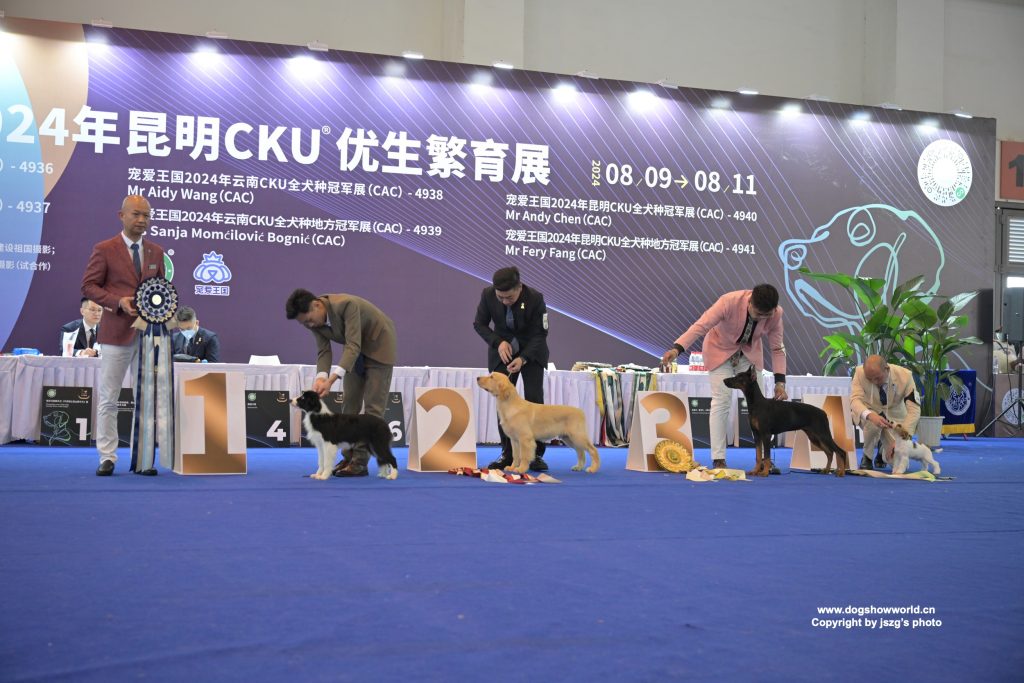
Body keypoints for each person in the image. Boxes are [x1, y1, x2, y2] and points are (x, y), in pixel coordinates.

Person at [81, 195, 165, 476]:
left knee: (146, 398)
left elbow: (161, 290)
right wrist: (117, 302)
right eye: (136, 214)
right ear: (121, 215)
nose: (142, 220)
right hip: (115, 333)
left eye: (146, 216)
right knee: (109, 398)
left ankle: (142, 458)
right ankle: (107, 456)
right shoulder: (104, 249)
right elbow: (89, 286)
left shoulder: (156, 252)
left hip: (148, 335)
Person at [661, 284, 787, 470]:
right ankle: (718, 458)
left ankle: (763, 460)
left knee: (761, 407)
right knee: (722, 400)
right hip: (719, 351)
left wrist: (780, 382)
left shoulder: (776, 314)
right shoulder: (729, 302)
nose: (762, 319)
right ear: (750, 302)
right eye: (758, 314)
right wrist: (677, 349)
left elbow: (777, 348)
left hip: (749, 355)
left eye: (766, 315)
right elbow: (701, 326)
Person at [285, 288, 397, 477]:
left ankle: (359, 463)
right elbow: (323, 351)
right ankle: (348, 457)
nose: (309, 325)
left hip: (379, 346)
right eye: (304, 324)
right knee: (349, 404)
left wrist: (332, 379)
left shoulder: (346, 305)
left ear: (317, 305)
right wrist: (321, 378)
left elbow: (353, 345)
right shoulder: (313, 322)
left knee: (373, 409)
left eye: (309, 320)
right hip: (354, 353)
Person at [473, 266, 550, 471]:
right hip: (503, 351)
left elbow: (540, 334)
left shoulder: (535, 298)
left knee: (534, 400)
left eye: (509, 297)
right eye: (501, 297)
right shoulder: (488, 294)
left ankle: (534, 455)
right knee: (503, 402)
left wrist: (523, 358)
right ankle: (507, 454)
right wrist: (498, 342)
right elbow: (479, 324)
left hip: (531, 352)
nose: (505, 301)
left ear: (519, 287)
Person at [849, 354, 921, 469]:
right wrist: (870, 415)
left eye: (877, 378)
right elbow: (854, 400)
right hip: (870, 413)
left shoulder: (906, 376)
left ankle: (882, 451)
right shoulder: (859, 373)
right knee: (872, 424)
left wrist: (902, 439)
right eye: (869, 379)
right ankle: (867, 456)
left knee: (898, 462)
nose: (874, 382)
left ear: (887, 369)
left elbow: (914, 410)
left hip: (895, 418)